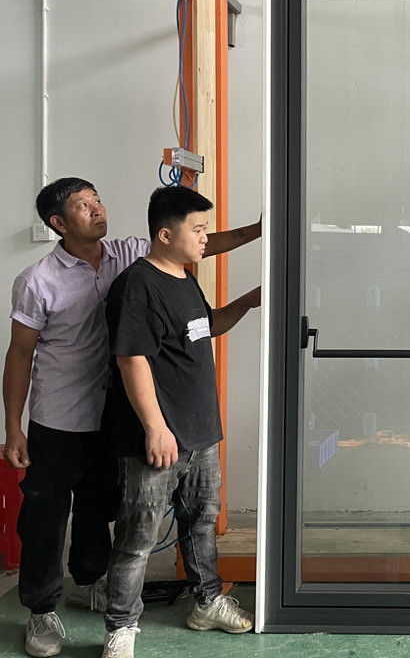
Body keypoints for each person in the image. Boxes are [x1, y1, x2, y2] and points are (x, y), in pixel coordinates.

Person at [2, 177, 260, 658]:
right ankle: (41, 610)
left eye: (98, 200)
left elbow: (190, 237)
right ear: (58, 223)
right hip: (60, 416)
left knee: (100, 510)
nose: (98, 209)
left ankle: (88, 583)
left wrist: (256, 232)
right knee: (46, 518)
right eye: (84, 205)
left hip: (114, 414)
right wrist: (13, 426)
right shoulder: (39, 280)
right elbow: (19, 355)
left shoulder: (126, 253)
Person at [101, 185, 259, 658]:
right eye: (199, 229)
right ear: (166, 234)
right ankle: (121, 627)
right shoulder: (137, 286)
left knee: (201, 523)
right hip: (158, 437)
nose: (207, 238)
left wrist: (251, 301)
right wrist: (155, 428)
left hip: (200, 432)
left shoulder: (185, 278)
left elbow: (205, 327)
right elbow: (131, 359)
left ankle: (207, 602)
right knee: (139, 535)